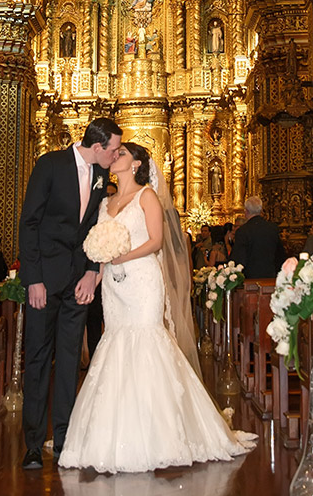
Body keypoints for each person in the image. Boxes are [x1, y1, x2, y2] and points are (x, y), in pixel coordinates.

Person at [59, 142, 257, 473]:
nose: (115, 157)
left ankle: (161, 433)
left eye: (121, 153)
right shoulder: (105, 201)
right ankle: (112, 434)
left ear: (136, 163)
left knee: (147, 341)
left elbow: (156, 241)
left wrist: (123, 256)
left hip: (143, 281)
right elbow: (100, 246)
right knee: (115, 343)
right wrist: (95, 277)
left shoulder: (147, 196)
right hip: (113, 285)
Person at [18, 116, 123, 469]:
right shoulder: (49, 165)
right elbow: (29, 222)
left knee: (67, 363)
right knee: (37, 359)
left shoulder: (100, 176)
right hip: (44, 283)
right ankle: (33, 443)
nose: (116, 155)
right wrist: (33, 278)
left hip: (78, 283)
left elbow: (94, 228)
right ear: (97, 147)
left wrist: (92, 272)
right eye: (113, 150)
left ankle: (63, 438)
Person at [231, 196, 286, 278]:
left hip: (250, 278)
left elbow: (239, 258)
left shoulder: (243, 231)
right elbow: (280, 255)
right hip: (270, 276)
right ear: (261, 211)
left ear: (246, 212)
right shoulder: (272, 228)